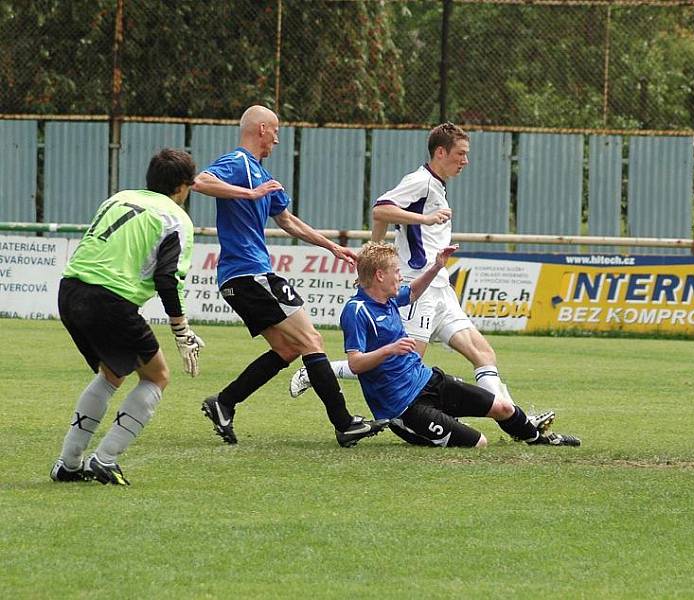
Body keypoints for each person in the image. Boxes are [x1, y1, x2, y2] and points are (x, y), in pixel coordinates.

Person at [192, 105, 386, 447]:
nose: (278, 139)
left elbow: (288, 221)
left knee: (286, 349)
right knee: (312, 341)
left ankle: (224, 403)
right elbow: (201, 181)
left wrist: (332, 247)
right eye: (276, 131)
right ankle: (344, 423)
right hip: (249, 273)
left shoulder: (264, 178)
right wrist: (247, 193)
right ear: (262, 129)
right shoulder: (238, 163)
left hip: (240, 278)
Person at [290, 123, 522, 410]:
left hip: (440, 288)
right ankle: (316, 372)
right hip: (417, 289)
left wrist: (371, 251)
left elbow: (383, 217)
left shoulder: (435, 185)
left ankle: (514, 417)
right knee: (405, 364)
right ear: (440, 152)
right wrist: (425, 220)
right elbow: (380, 210)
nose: (466, 161)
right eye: (460, 154)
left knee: (483, 352)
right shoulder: (420, 181)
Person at [50, 149, 203, 486]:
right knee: (157, 376)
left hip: (70, 289)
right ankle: (105, 460)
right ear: (182, 187)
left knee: (113, 372)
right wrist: (181, 329)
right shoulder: (176, 217)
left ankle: (69, 464)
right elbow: (167, 278)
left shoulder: (119, 197)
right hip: (109, 300)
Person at [340, 242, 580, 447]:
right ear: (380, 275)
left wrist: (436, 267)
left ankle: (539, 440)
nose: (400, 276)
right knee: (479, 443)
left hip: (429, 380)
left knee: (503, 408)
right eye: (396, 271)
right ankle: (443, 425)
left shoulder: (388, 299)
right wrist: (389, 349)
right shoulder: (356, 310)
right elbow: (356, 363)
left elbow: (412, 292)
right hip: (404, 409)